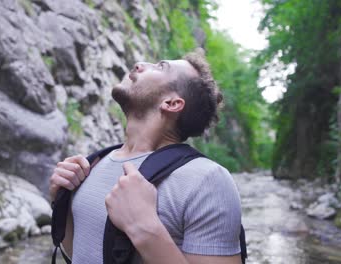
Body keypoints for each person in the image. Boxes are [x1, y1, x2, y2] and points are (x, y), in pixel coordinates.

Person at [49, 49, 243, 264]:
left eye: (161, 66)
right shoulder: (94, 164)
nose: (139, 63)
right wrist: (62, 203)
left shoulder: (208, 180)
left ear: (172, 103)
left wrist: (144, 228)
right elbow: (81, 253)